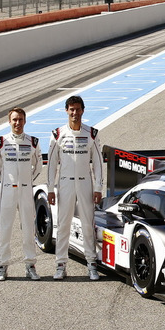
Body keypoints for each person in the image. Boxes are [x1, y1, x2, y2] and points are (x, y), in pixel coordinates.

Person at [47, 95, 103, 281]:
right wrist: (50, 189)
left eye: (78, 109)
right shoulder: (57, 134)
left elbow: (98, 163)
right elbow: (51, 164)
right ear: (66, 110)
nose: (75, 113)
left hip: (85, 183)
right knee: (63, 225)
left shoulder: (92, 133)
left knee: (88, 224)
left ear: (83, 111)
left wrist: (98, 188)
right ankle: (61, 264)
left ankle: (91, 264)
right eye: (71, 109)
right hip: (65, 183)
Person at [0, 107, 43, 281]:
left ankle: (30, 265)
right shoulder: (0, 141)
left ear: (25, 121)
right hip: (7, 191)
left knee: (28, 229)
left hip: (26, 191)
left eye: (20, 119)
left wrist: (27, 181)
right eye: (14, 120)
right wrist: (6, 182)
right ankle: (2, 266)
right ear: (9, 121)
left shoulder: (33, 142)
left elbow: (38, 167)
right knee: (4, 228)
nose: (17, 123)